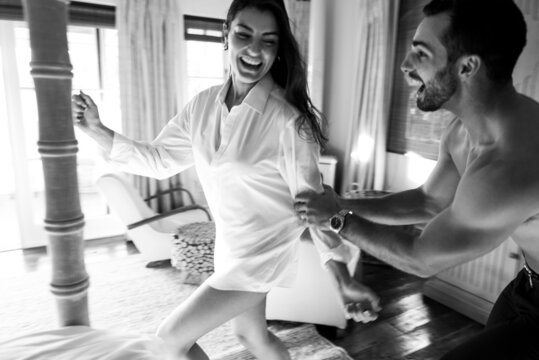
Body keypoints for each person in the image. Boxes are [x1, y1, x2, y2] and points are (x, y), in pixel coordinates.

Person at [72, 0, 380, 359]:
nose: (254, 49)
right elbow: (159, 161)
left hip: (262, 255)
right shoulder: (201, 106)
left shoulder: (288, 123)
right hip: (230, 248)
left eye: (268, 40)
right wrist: (98, 130)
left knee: (170, 338)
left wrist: (343, 281)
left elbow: (316, 206)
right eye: (244, 34)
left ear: (278, 50)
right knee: (253, 337)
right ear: (226, 35)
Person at [294, 0, 539, 358]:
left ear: (468, 67)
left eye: (420, 54)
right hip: (529, 285)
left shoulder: (510, 164)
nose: (405, 66)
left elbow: (421, 257)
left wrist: (336, 220)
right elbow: (428, 201)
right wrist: (341, 203)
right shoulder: (461, 133)